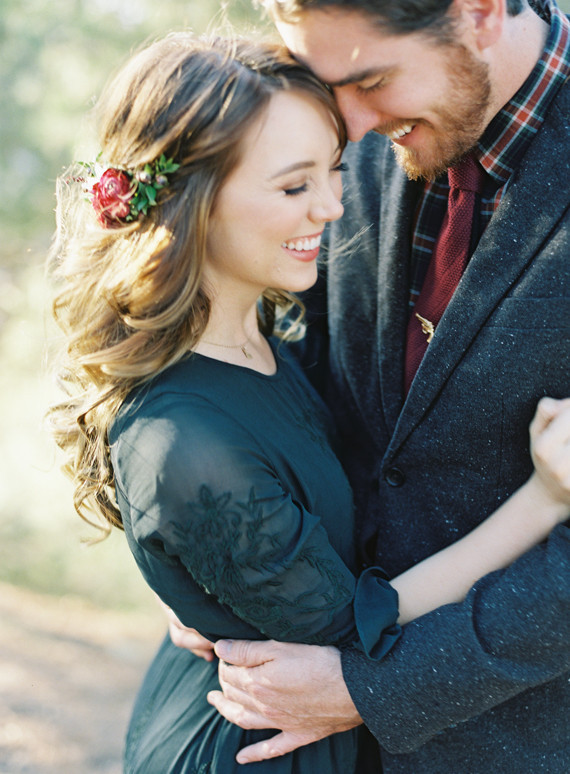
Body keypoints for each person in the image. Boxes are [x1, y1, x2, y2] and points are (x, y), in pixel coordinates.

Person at [45, 27, 569, 774]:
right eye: (298, 185)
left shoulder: (258, 333)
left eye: (332, 172)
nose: (334, 204)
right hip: (257, 742)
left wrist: (220, 568)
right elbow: (347, 622)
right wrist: (543, 500)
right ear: (191, 204)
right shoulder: (185, 435)